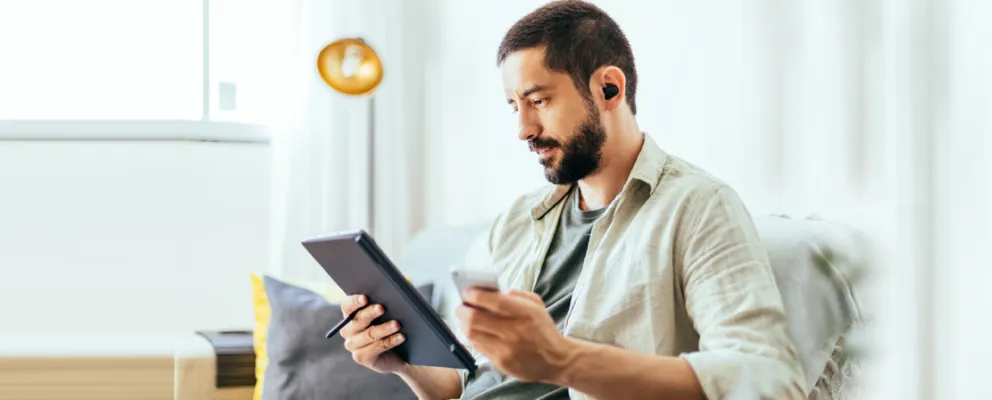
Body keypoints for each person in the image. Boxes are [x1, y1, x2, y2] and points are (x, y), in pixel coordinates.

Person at [338, 1, 807, 399]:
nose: (523, 129)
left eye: (538, 100)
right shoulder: (518, 222)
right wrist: (402, 360)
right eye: (514, 106)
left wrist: (563, 360)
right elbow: (469, 380)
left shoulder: (698, 207)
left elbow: (768, 379)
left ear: (609, 88)